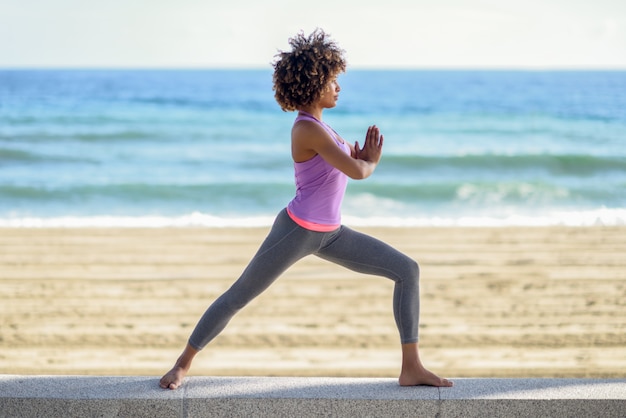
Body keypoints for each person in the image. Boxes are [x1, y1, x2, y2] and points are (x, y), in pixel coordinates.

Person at [160, 29, 452, 390]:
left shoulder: (325, 128)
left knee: (407, 270)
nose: (339, 88)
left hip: (331, 234)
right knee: (240, 295)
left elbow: (344, 165)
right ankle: (182, 365)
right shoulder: (306, 130)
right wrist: (370, 162)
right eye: (333, 81)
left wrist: (357, 157)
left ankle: (412, 367)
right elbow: (358, 173)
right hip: (296, 231)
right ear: (315, 84)